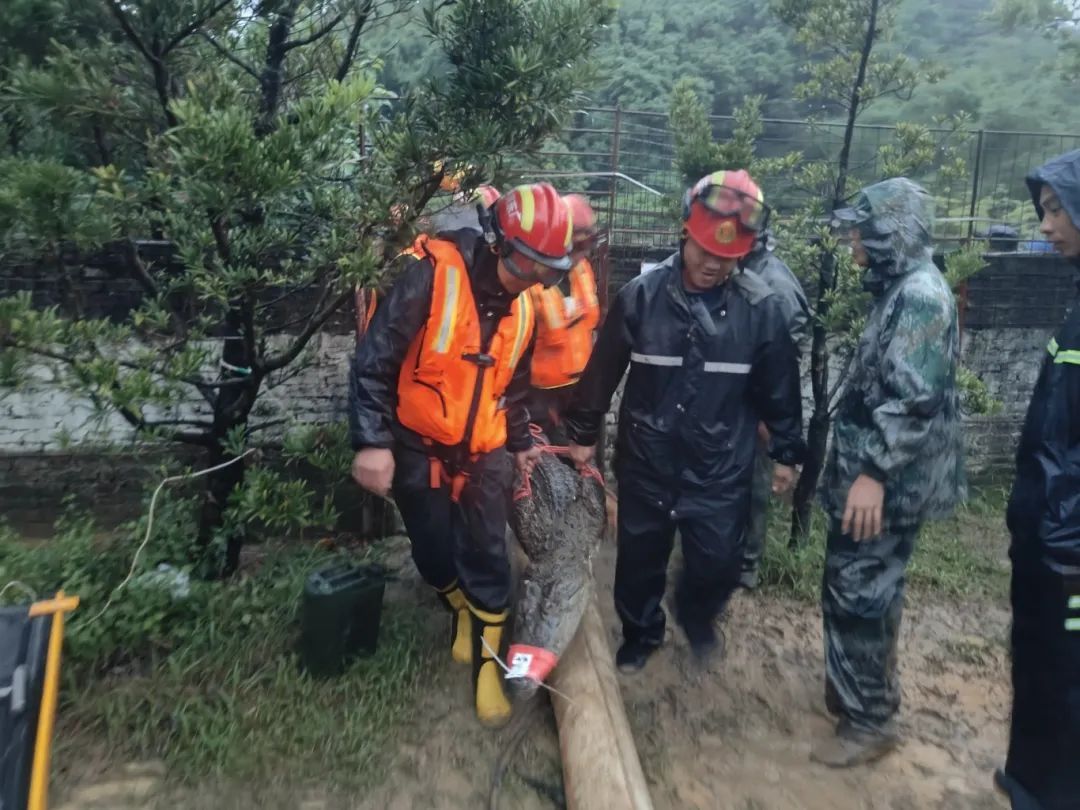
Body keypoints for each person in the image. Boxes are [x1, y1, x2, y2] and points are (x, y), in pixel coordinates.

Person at [563, 170, 806, 673]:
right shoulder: (641, 297)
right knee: (638, 562)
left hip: (720, 468)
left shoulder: (761, 311)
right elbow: (601, 372)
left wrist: (786, 451)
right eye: (703, 250)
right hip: (648, 459)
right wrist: (583, 435)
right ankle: (641, 634)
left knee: (719, 563)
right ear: (683, 234)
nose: (713, 263)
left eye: (727, 255)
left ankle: (697, 616)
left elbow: (780, 388)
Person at [348, 182, 572, 728]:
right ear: (499, 244)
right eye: (529, 264)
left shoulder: (525, 308)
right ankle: (458, 612)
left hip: (485, 450)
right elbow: (374, 360)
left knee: (488, 556)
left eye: (547, 268)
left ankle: (487, 667)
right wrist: (372, 442)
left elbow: (513, 387)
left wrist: (520, 445)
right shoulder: (433, 274)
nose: (537, 278)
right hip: (418, 444)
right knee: (431, 548)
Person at [814, 177, 965, 767]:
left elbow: (913, 398)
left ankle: (869, 720)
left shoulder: (921, 296)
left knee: (861, 591)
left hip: (887, 485)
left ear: (890, 234)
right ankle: (857, 690)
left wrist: (873, 472)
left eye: (862, 231)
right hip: (877, 478)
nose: (853, 242)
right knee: (865, 586)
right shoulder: (902, 288)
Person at [995, 149, 1080, 810]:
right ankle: (1030, 780)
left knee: (1067, 675)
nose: (1046, 226)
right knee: (1038, 659)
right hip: (1046, 536)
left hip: (1070, 551)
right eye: (1045, 209)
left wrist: (1064, 542)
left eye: (1057, 209)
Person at [739, 228, 811, 589]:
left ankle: (747, 569)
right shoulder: (747, 271)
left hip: (757, 406)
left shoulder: (774, 284)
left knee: (754, 486)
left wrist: (770, 416)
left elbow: (781, 363)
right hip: (739, 401)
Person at [527, 193, 601, 444]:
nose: (582, 253)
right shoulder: (531, 280)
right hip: (540, 394)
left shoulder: (583, 271)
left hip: (580, 388)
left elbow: (589, 322)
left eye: (587, 244)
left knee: (582, 461)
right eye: (577, 245)